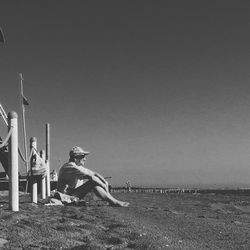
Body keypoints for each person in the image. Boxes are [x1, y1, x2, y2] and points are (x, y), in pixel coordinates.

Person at [57, 146, 129, 207]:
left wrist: (105, 182)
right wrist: (104, 186)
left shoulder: (76, 166)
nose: (85, 159)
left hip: (72, 194)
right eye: (83, 156)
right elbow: (91, 177)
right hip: (65, 197)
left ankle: (112, 201)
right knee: (93, 183)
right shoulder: (69, 167)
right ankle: (114, 202)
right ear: (76, 158)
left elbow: (95, 174)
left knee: (94, 182)